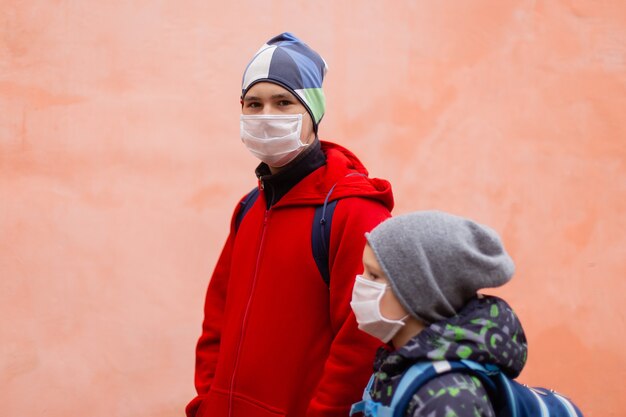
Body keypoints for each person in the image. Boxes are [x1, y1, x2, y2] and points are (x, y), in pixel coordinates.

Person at [186, 32, 394, 417]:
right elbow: (216, 320)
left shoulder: (353, 212)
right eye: (254, 103)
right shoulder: (248, 207)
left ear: (313, 111)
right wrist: (207, 404)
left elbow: (362, 340)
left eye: (283, 102)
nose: (267, 115)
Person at [350, 211, 526, 417]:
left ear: (417, 292)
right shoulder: (401, 365)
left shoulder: (447, 398)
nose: (360, 282)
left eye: (373, 275)